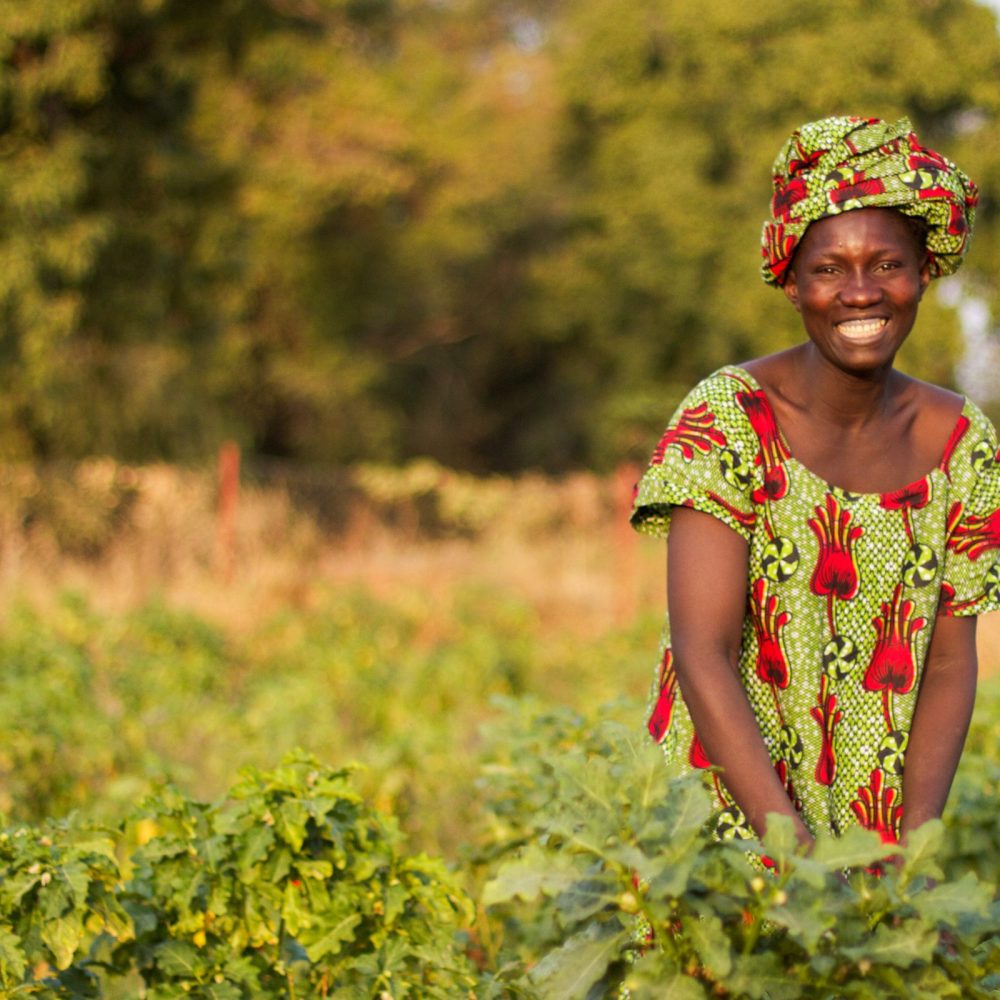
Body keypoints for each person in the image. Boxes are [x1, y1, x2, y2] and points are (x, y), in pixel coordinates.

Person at [631, 115, 999, 850]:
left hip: (870, 833)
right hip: (720, 824)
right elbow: (702, 650)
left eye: (887, 265)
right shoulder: (728, 419)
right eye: (830, 268)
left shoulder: (963, 445)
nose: (861, 293)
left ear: (923, 273)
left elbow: (953, 662)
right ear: (793, 284)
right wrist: (791, 856)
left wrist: (907, 856)